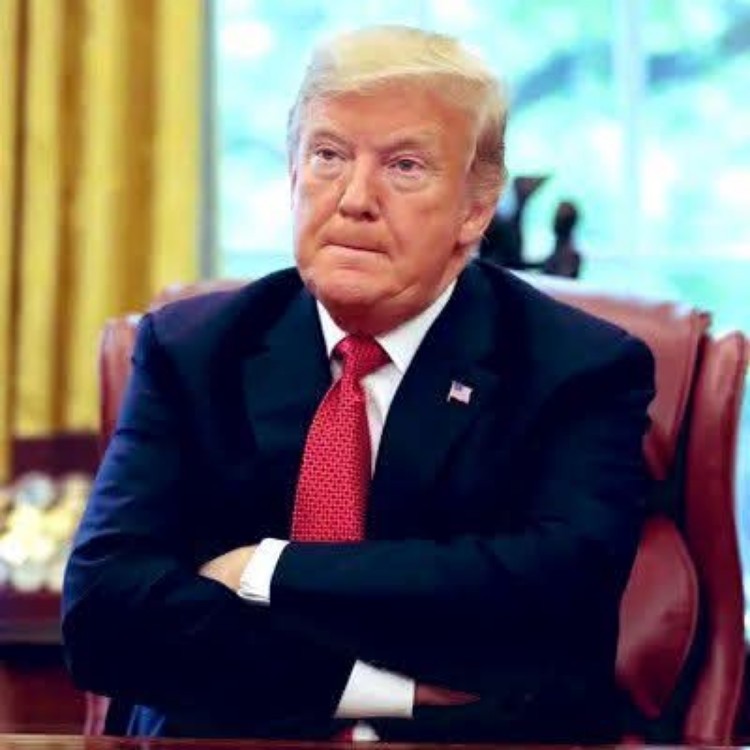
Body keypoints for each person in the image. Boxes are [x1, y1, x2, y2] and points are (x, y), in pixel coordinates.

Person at [62, 25, 655, 743]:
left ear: (474, 208)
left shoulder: (578, 368)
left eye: (404, 166)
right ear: (292, 175)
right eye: (328, 155)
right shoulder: (193, 352)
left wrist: (266, 569)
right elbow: (103, 614)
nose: (354, 199)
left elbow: (553, 597)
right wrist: (367, 686)